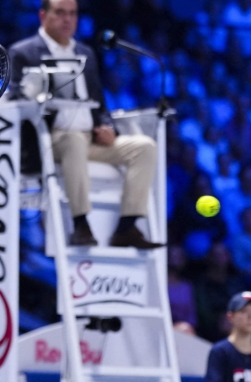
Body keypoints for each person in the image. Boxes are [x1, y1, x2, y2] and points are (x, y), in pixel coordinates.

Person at [8, 0, 160, 249]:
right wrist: (37, 96)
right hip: (51, 139)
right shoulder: (24, 52)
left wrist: (107, 127)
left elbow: (100, 105)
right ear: (43, 15)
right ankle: (81, 225)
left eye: (72, 14)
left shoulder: (86, 53)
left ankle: (127, 227)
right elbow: (14, 96)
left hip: (90, 139)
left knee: (145, 147)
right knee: (73, 140)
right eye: (60, 13)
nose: (67, 19)